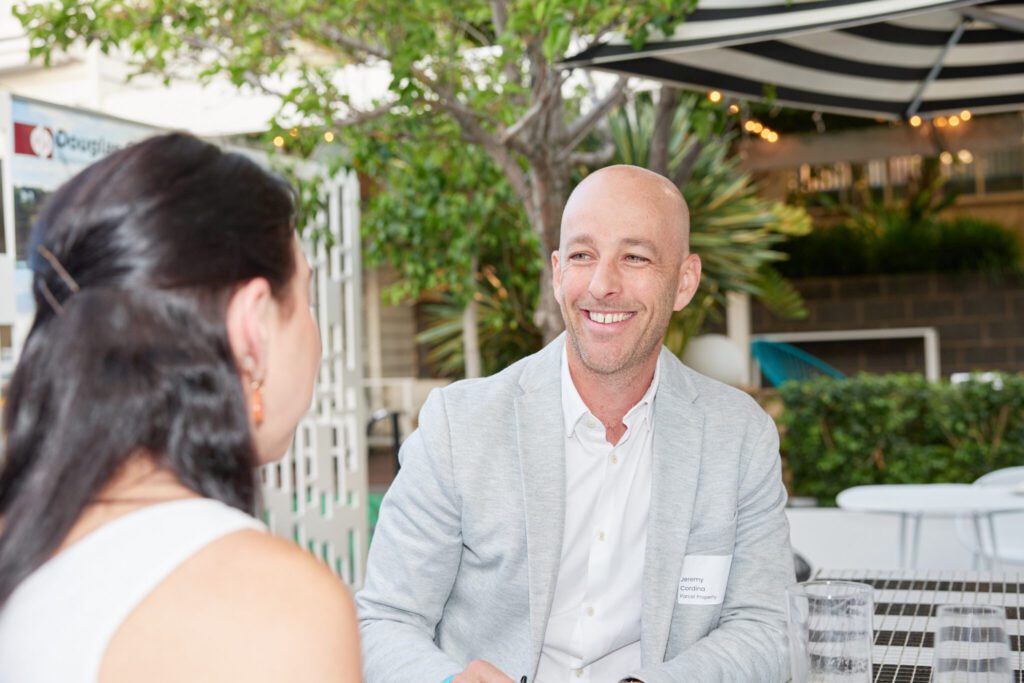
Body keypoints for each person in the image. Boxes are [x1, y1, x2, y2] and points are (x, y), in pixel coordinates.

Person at [358, 165, 795, 683]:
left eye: (635, 257)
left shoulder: (739, 437)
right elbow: (385, 621)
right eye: (583, 256)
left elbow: (765, 627)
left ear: (684, 281)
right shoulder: (459, 426)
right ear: (557, 272)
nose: (603, 285)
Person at [0, 133, 361, 682]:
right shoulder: (269, 609)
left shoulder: (28, 536)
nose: (318, 338)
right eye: (306, 297)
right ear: (254, 327)